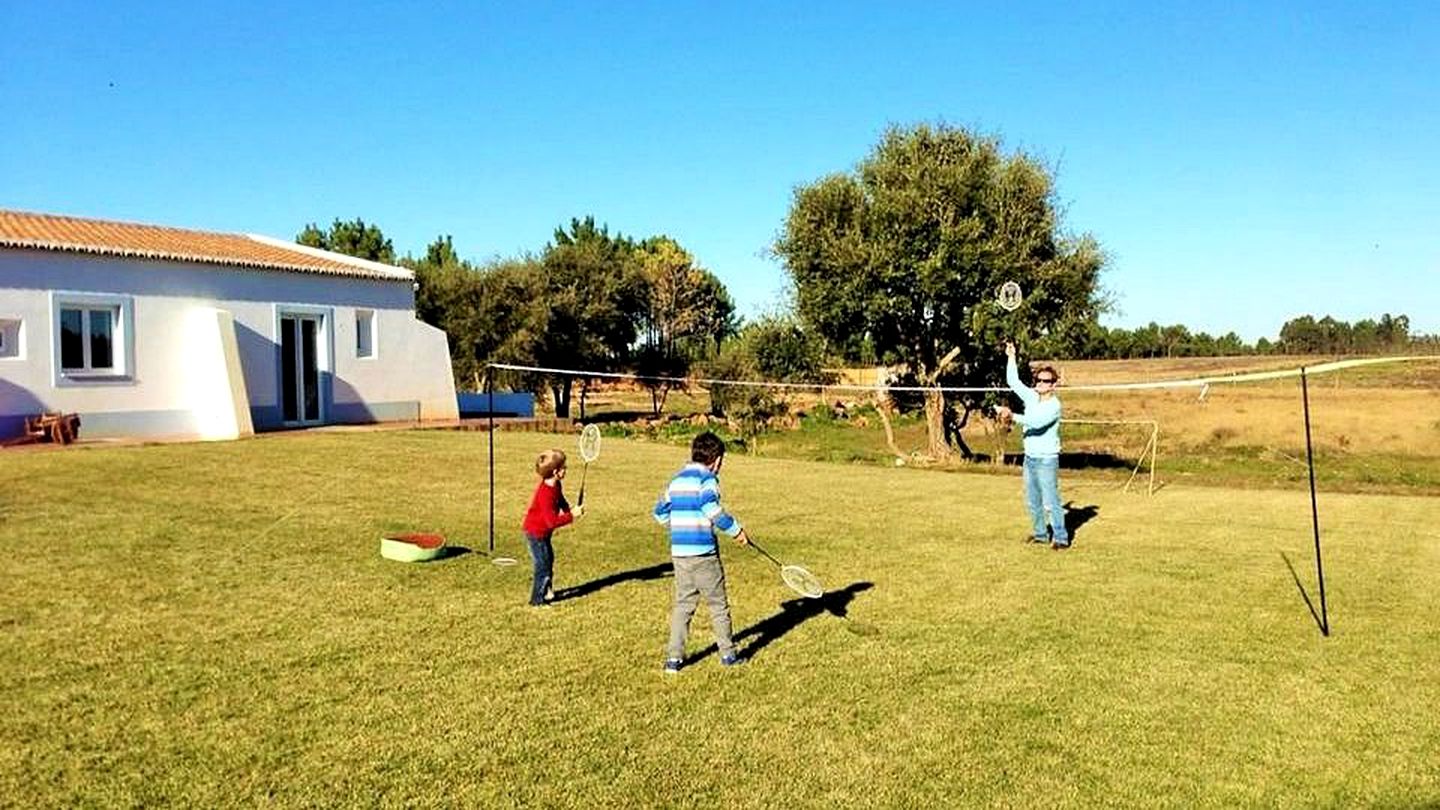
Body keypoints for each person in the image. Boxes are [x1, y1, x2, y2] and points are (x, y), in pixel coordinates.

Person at [652, 431, 750, 673]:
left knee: (683, 605)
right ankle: (728, 655)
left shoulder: (676, 481)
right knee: (718, 605)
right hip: (704, 554)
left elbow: (660, 513)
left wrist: (678, 520)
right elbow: (711, 509)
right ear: (716, 460)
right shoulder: (707, 480)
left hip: (680, 555)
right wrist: (736, 531)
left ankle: (673, 660)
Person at [996, 341, 1070, 550]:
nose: (1040, 383)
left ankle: (1061, 538)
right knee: (1033, 500)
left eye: (1045, 381)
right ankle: (1040, 534)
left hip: (1047, 459)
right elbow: (1013, 381)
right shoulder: (1031, 396)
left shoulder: (1054, 406)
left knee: (1051, 500)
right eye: (1038, 380)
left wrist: (1012, 416)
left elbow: (1036, 422)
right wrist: (1011, 356)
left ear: (1053, 384)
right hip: (1030, 457)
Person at [521, 449, 583, 606]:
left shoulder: (556, 485)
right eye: (564, 467)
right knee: (542, 565)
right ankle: (537, 600)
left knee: (548, 560)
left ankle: (547, 591)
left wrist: (569, 509)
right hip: (536, 533)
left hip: (544, 533)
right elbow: (552, 522)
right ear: (556, 472)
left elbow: (560, 499)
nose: (566, 469)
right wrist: (572, 516)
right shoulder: (545, 494)